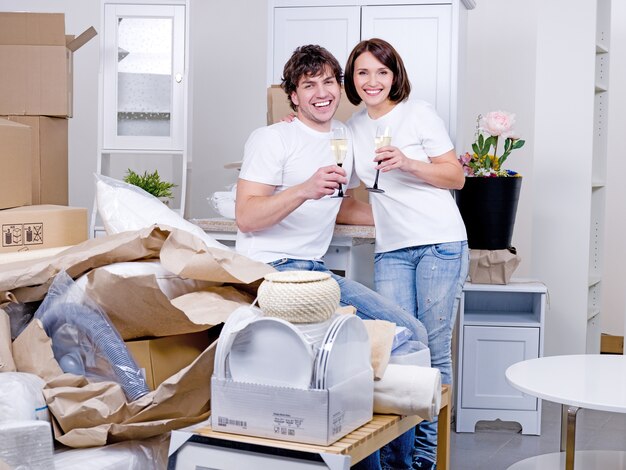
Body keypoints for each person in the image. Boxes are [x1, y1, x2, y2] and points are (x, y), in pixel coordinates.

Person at [235, 44, 429, 368]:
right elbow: (246, 217)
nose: (321, 93)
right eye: (309, 85)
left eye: (328, 82)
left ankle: (372, 414)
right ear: (294, 96)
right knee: (347, 349)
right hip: (270, 273)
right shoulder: (271, 138)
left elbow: (344, 205)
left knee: (410, 331)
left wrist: (401, 218)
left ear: (339, 87)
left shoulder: (344, 136)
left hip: (316, 272)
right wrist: (303, 190)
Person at [343, 38, 470, 470]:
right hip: (393, 249)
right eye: (363, 72)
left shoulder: (419, 113)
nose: (372, 81)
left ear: (395, 75)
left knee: (432, 351)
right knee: (399, 350)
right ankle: (401, 455)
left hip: (439, 243)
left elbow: (456, 177)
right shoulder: (354, 128)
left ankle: (427, 457)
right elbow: (353, 190)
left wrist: (409, 163)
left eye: (381, 71)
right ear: (352, 79)